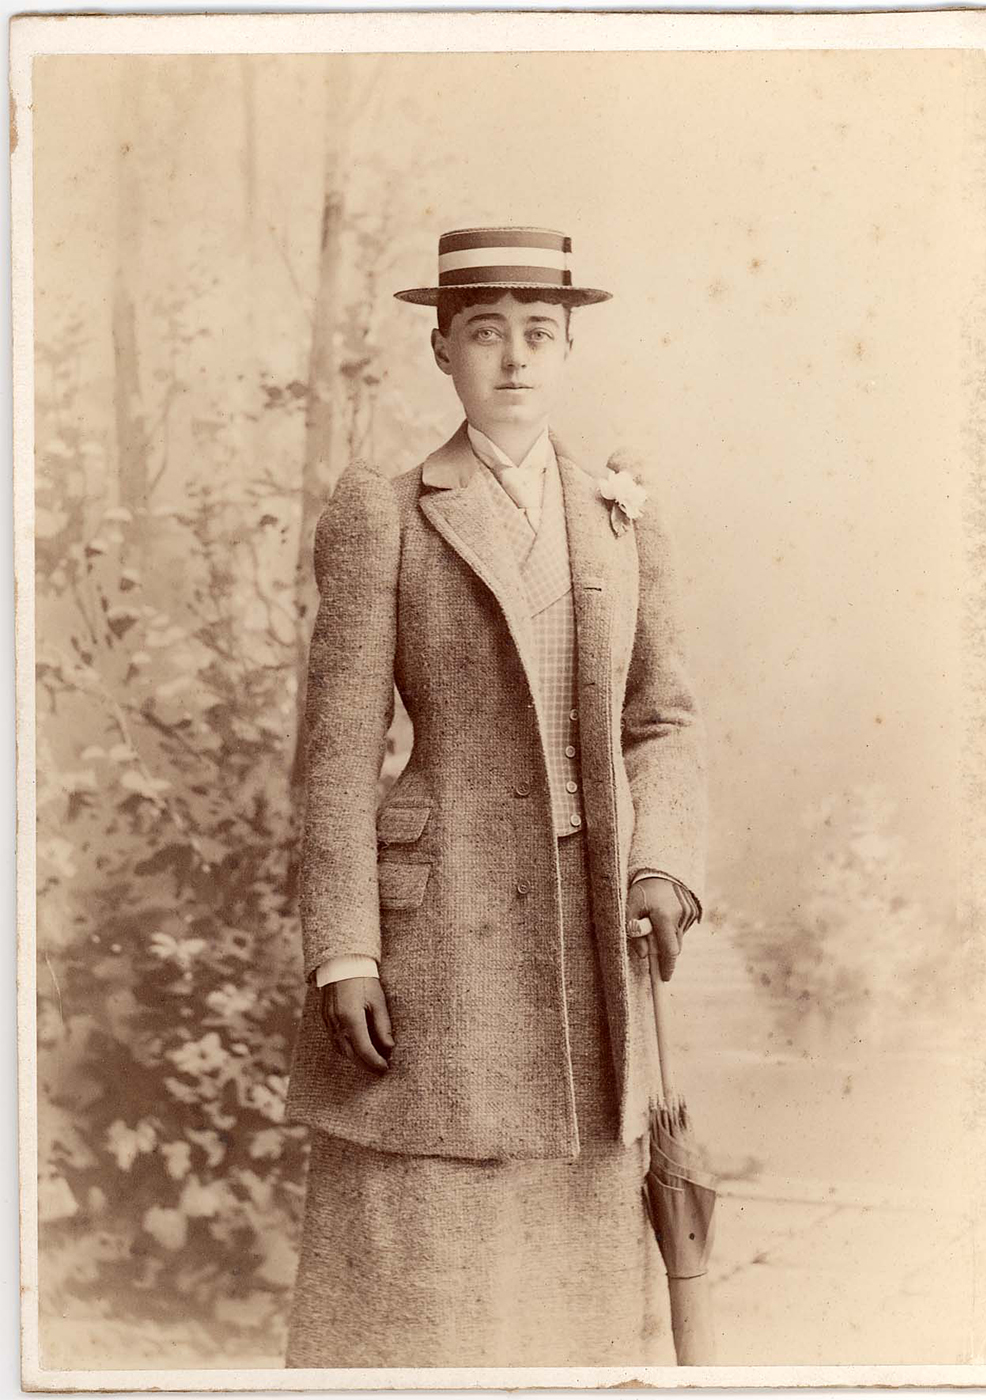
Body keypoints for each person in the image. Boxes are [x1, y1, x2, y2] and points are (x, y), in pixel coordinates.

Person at [282, 226, 709, 1366]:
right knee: (421, 1243)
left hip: (586, 925)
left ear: (567, 350)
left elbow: (661, 720)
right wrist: (344, 949)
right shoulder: (387, 507)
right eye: (485, 333)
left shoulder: (620, 511)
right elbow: (334, 752)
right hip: (442, 931)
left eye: (537, 334)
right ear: (441, 350)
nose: (513, 359)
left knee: (573, 1241)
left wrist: (661, 861)